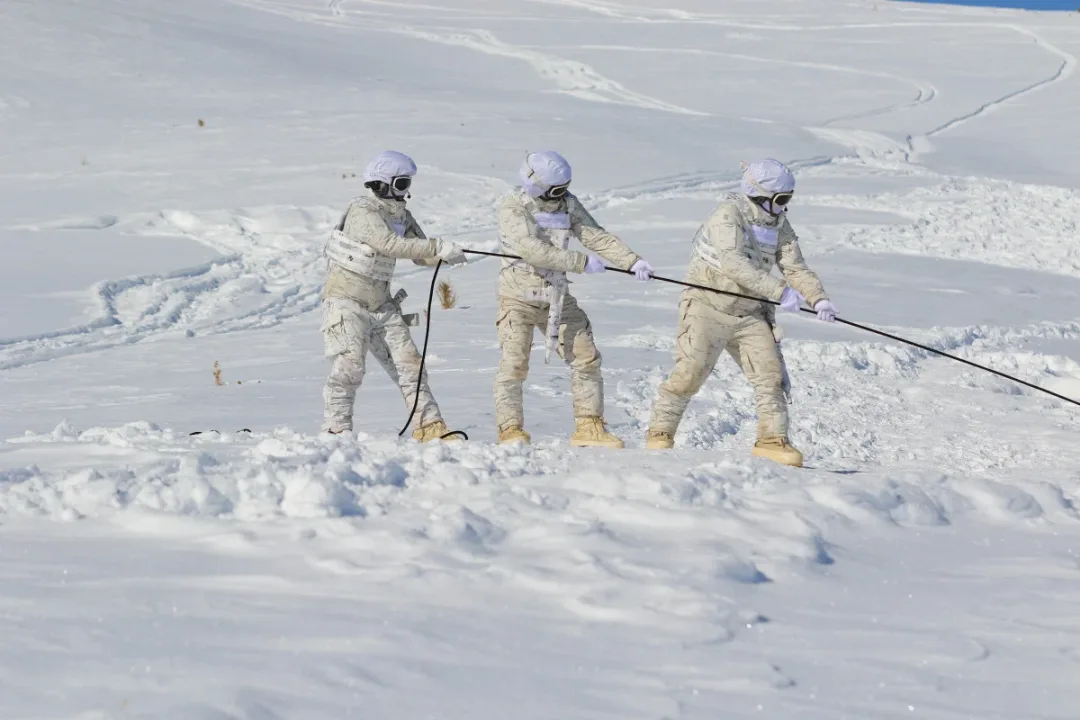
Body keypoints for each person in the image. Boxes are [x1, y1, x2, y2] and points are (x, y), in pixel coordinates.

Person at [645, 158, 838, 467]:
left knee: (770, 376)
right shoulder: (727, 216)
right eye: (781, 200)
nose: (785, 207)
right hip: (707, 307)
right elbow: (734, 264)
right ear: (760, 194)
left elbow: (793, 265)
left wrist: (818, 299)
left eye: (788, 200)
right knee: (690, 373)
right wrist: (780, 292)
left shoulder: (778, 225)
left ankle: (772, 440)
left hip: (750, 313)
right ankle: (660, 432)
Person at [494, 150, 655, 447]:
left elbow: (596, 236)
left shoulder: (567, 204)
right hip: (518, 298)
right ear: (536, 185)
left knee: (586, 357)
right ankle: (511, 429)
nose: (561, 195)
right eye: (555, 190)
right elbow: (531, 249)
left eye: (565, 188)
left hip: (557, 297)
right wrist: (580, 262)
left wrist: (632, 261)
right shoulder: (514, 207)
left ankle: (589, 427)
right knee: (514, 364)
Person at [320, 150, 467, 441]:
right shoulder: (363, 211)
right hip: (347, 304)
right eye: (401, 184)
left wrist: (443, 256)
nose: (405, 192)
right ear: (381, 183)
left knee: (411, 366)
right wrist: (436, 247)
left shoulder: (402, 215)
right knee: (349, 368)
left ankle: (430, 427)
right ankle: (335, 430)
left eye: (407, 184)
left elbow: (418, 252)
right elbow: (388, 244)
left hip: (382, 307)